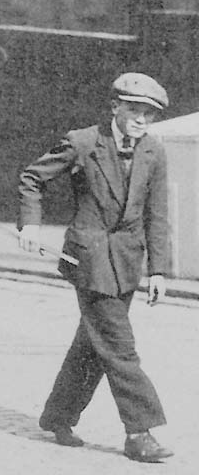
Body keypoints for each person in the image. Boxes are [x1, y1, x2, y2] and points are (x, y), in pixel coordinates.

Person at [17, 72, 173, 463]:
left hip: (128, 261)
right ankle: (139, 432)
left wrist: (158, 270)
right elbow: (32, 178)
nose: (141, 120)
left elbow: (157, 215)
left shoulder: (154, 151)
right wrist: (31, 224)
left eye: (149, 114)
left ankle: (59, 416)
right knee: (119, 346)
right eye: (134, 110)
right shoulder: (83, 142)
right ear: (115, 107)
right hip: (88, 260)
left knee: (92, 343)